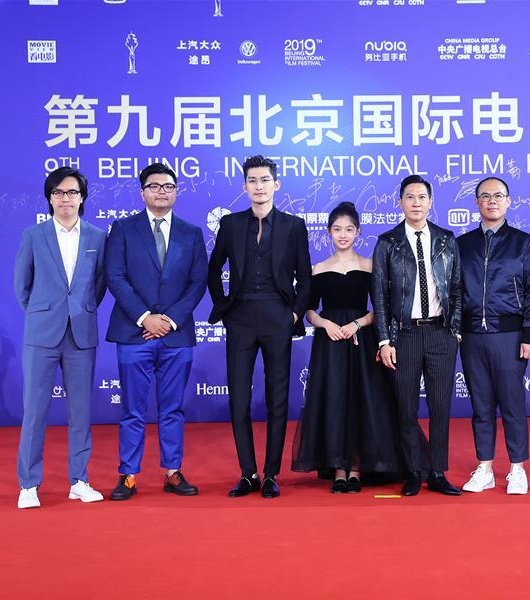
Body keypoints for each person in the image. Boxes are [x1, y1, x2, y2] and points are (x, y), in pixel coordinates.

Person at [208, 155, 312, 499]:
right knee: (239, 399)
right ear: (244, 186)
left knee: (277, 398)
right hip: (240, 317)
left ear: (276, 184)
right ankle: (247, 473)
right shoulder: (231, 224)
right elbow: (213, 269)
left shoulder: (294, 226)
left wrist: (294, 314)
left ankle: (270, 474)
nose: (259, 186)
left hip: (277, 316)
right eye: (252, 180)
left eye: (265, 180)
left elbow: (305, 277)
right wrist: (224, 307)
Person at [292, 202, 412, 493]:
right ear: (329, 232)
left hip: (361, 341)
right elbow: (309, 310)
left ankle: (356, 469)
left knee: (361, 401)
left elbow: (381, 308)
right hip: (330, 343)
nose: (343, 235)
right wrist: (325, 324)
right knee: (333, 401)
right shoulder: (318, 269)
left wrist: (357, 324)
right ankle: (338, 469)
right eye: (337, 229)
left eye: (348, 229)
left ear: (358, 231)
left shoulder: (370, 266)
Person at [105, 163, 207, 500]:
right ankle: (128, 474)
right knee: (132, 410)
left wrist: (169, 320)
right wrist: (145, 318)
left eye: (168, 186)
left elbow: (198, 282)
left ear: (176, 191)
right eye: (154, 186)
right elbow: (115, 277)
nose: (162, 191)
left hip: (176, 334)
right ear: (142, 192)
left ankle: (173, 471)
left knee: (172, 408)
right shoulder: (123, 229)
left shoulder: (191, 233)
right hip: (134, 333)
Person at [14, 167, 106, 509]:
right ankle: (28, 485)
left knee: (80, 413)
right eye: (58, 192)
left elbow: (99, 285)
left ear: (82, 198)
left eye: (72, 192)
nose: (65, 198)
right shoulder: (33, 235)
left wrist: (79, 310)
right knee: (34, 412)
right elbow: (22, 286)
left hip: (81, 334)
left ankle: (79, 481)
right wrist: (45, 313)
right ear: (49, 198)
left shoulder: (97, 237)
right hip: (42, 335)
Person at [372, 174, 463, 496]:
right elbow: (379, 295)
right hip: (404, 336)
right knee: (406, 408)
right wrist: (385, 340)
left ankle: (437, 472)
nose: (416, 203)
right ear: (400, 202)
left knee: (440, 407)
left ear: (431, 202)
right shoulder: (388, 242)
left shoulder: (446, 240)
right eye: (409, 197)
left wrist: (456, 330)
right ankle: (413, 472)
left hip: (440, 333)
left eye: (422, 197)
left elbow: (457, 287)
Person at [456, 177, 530, 495]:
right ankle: (485, 468)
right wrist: (456, 328)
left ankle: (517, 469)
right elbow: (454, 291)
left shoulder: (524, 243)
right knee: (481, 406)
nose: (491, 201)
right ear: (476, 202)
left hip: (510, 335)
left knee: (512, 404)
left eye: (498, 196)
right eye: (485, 196)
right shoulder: (462, 245)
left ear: (508, 201)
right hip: (472, 337)